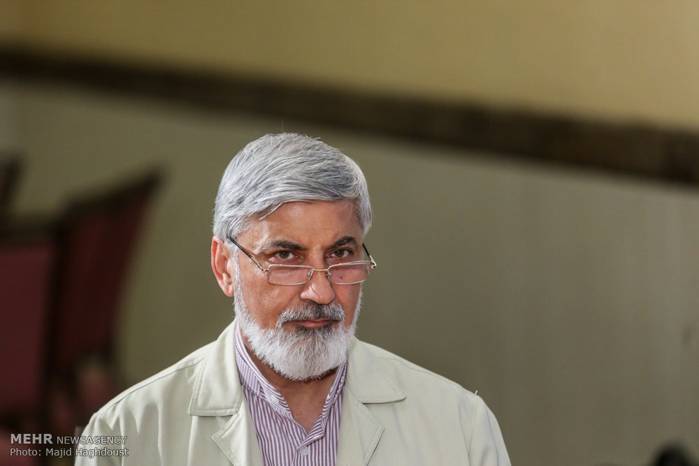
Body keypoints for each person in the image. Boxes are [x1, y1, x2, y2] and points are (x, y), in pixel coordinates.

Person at [76, 133, 511, 465]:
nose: (321, 291)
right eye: (285, 256)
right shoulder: (128, 435)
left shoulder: (460, 428)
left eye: (341, 254)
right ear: (225, 266)